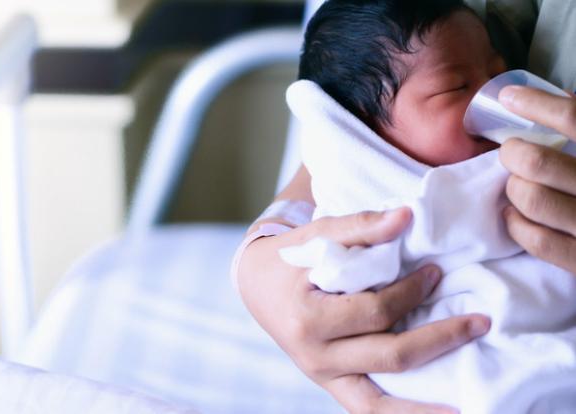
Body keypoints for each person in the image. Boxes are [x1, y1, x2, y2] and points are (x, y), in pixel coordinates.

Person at [235, 0, 576, 412]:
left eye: (497, 71)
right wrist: (265, 253)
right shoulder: (389, 207)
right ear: (366, 129)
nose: (498, 98)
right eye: (457, 87)